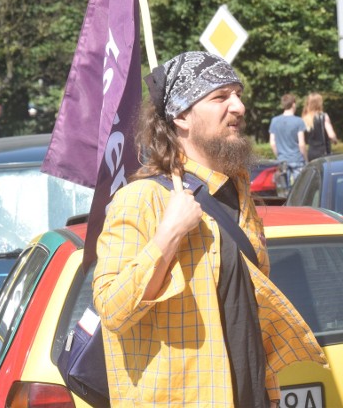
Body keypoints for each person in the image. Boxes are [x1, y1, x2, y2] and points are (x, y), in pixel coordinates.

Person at [93, 51, 324, 407]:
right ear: (181, 116)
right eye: (220, 97)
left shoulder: (240, 191)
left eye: (238, 94)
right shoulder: (143, 199)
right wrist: (168, 235)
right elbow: (111, 309)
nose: (239, 107)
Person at [268, 93, 307, 185]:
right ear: (293, 104)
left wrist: (279, 155)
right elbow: (301, 144)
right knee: (300, 187)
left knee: (283, 190)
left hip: (282, 160)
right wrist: (306, 159)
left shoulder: (275, 121)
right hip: (297, 159)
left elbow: (272, 142)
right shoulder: (299, 121)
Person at [301, 92, 337, 161]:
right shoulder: (323, 116)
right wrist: (335, 140)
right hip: (323, 152)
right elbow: (331, 135)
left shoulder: (304, 118)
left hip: (311, 152)